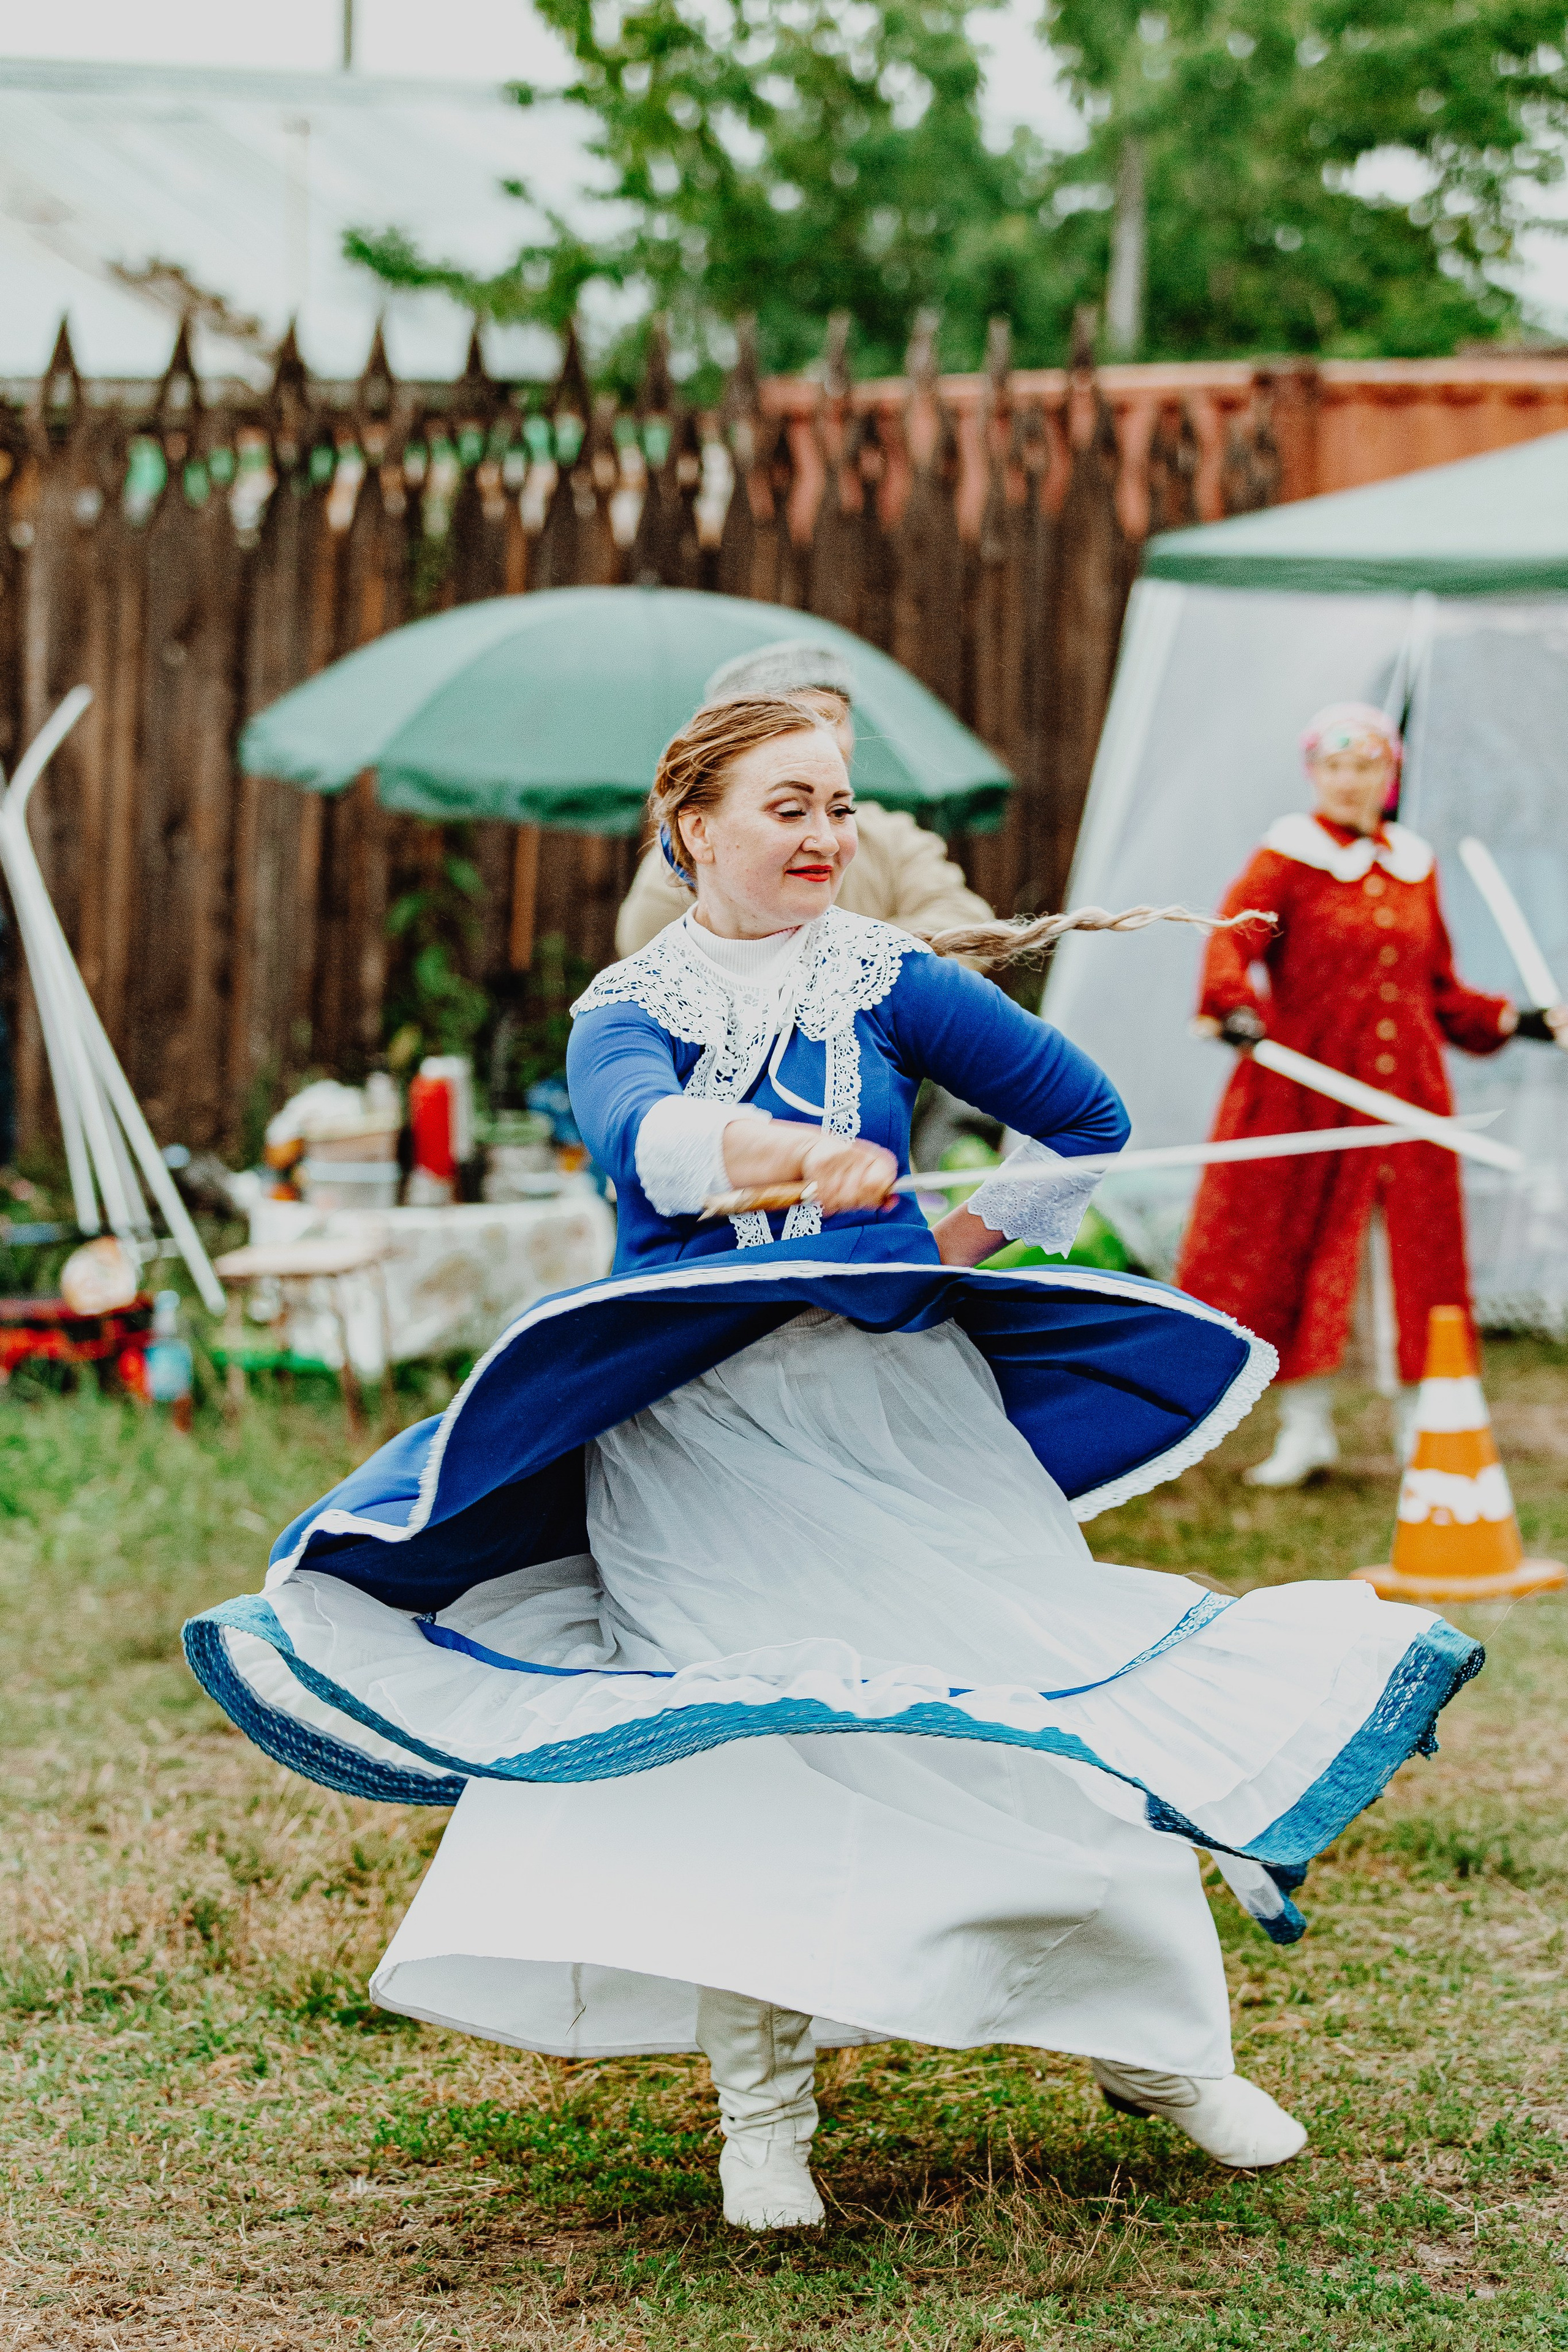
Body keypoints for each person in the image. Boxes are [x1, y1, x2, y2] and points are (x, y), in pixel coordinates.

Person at [186, 696, 1483, 2231]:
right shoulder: (627, 1001)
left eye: (838, 805)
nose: (822, 834)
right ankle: (763, 2119)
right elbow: (644, 1146)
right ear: (692, 826)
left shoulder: (888, 975)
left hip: (897, 1414)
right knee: (743, 1751)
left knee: (1031, 1693)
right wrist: (792, 1158)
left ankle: (1165, 2053)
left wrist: (945, 1239)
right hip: (694, 1439)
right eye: (787, 804)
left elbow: (1082, 1117)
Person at [1177, 702, 1568, 1489]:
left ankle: (1421, 1428)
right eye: (1336, 767)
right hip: (1309, 1089)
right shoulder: (1287, 858)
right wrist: (1232, 1004)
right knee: (1301, 1248)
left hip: (1408, 1096)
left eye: (1368, 768)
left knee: (1414, 1256)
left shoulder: (1414, 863)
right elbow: (1229, 939)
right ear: (1314, 773)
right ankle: (1306, 1428)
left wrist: (1519, 1020)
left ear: (1390, 776)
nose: (1351, 782)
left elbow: (1440, 994)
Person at [614, 639, 993, 957]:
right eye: (789, 811)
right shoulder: (671, 882)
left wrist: (841, 962)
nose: (820, 737)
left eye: (833, 718)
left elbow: (965, 922)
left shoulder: (891, 837)